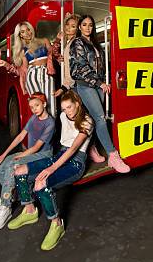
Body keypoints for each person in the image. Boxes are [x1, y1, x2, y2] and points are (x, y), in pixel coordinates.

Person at [8, 91, 94, 250]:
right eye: (64, 108)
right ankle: (29, 210)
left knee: (41, 183)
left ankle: (57, 224)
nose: (67, 111)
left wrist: (52, 168)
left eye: (70, 107)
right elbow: (64, 145)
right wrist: (52, 162)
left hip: (76, 161)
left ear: (77, 104)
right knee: (19, 171)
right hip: (61, 154)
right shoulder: (62, 117)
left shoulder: (87, 121)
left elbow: (74, 147)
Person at [69, 15, 130, 173]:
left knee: (93, 120)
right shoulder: (78, 43)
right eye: (84, 24)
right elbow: (81, 67)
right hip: (86, 86)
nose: (87, 27)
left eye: (90, 25)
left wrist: (104, 81)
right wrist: (99, 83)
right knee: (100, 118)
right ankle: (113, 155)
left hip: (99, 85)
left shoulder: (95, 43)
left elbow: (101, 65)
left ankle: (91, 149)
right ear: (79, 27)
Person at [0, 92, 55, 231]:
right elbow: (20, 137)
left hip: (42, 155)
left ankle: (5, 207)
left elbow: (37, 147)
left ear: (44, 104)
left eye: (37, 105)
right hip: (31, 152)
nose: (34, 109)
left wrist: (20, 157)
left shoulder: (50, 122)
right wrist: (4, 154)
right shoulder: (33, 118)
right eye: (31, 107)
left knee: (13, 164)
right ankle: (10, 194)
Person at [52, 13, 104, 164]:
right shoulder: (67, 42)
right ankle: (81, 149)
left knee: (85, 119)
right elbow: (54, 54)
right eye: (67, 25)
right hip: (70, 84)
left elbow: (75, 70)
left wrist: (64, 87)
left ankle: (89, 148)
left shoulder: (76, 43)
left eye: (73, 26)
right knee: (77, 119)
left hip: (75, 84)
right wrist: (57, 46)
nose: (69, 28)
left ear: (78, 29)